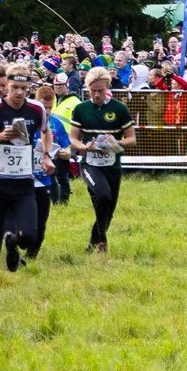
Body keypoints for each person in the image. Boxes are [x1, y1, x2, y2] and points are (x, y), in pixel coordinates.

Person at [0, 64, 45, 288]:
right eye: (15, 87)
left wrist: (45, 156)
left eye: (24, 88)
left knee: (29, 236)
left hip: (24, 183)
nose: (19, 93)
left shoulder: (36, 109)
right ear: (6, 85)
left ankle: (13, 241)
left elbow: (46, 131)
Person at [69, 67, 136, 252]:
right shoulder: (81, 109)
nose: (97, 94)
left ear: (107, 87)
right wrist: (84, 147)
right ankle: (103, 241)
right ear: (87, 88)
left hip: (112, 165)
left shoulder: (119, 108)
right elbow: (73, 138)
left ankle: (91, 245)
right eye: (93, 91)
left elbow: (132, 139)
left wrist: (116, 143)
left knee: (109, 210)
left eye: (100, 90)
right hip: (90, 164)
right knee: (103, 195)